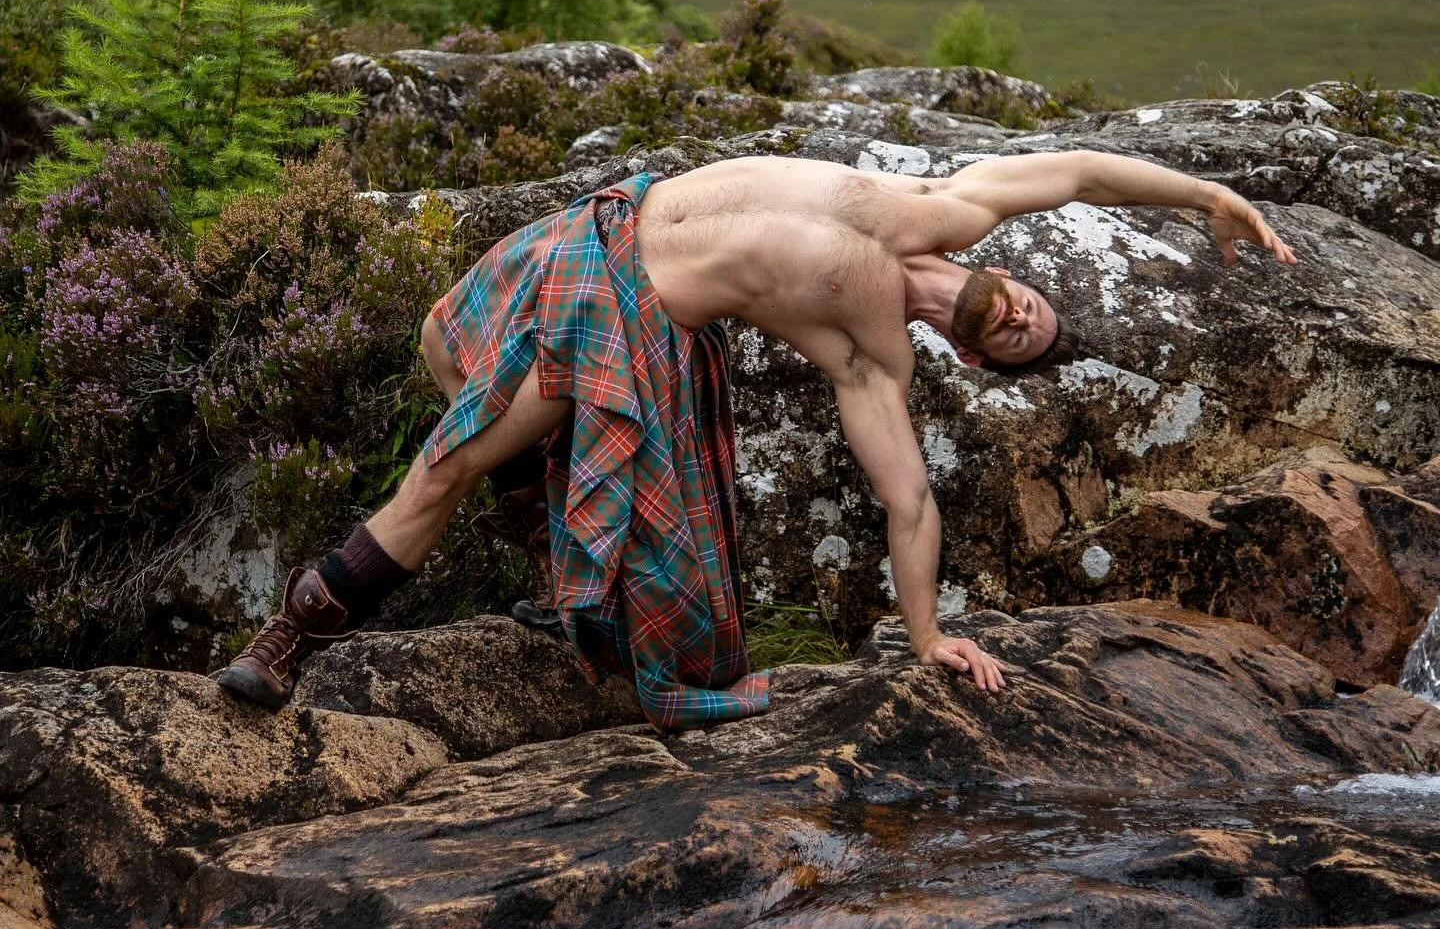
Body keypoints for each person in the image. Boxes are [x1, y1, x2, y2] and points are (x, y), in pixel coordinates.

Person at [216, 150, 1296, 721]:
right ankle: (553, 581)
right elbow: (1078, 171)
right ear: (1008, 271)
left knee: (438, 477)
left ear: (979, 360)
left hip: (618, 313)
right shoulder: (942, 204)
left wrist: (927, 642)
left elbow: (906, 499)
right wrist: (1205, 192)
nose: (1016, 321)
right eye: (1027, 307)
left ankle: (289, 643)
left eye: (1020, 343)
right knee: (440, 345)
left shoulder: (870, 354)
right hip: (595, 225)